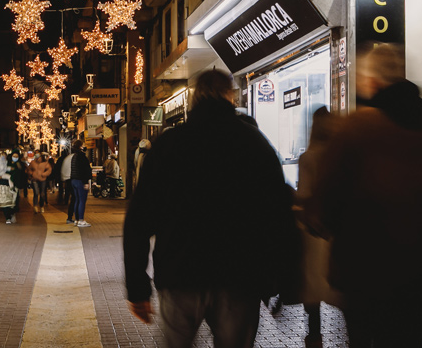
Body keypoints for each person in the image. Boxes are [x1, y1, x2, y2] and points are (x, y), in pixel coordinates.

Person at [124, 70, 298, 348]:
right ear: (231, 96)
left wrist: (137, 286)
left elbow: (139, 219)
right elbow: (278, 214)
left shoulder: (168, 146)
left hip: (180, 272)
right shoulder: (254, 144)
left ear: (194, 98)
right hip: (239, 275)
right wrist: (283, 280)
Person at [311, 44, 422, 348]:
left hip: (365, 269)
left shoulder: (356, 129)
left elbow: (327, 199)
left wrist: (323, 224)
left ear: (372, 82)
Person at [293, 107, 341, 347]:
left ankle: (314, 334)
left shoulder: (308, 157)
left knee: (313, 283)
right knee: (338, 281)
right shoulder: (340, 156)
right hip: (339, 229)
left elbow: (303, 194)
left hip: (313, 231)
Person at [67, 142, 93, 228]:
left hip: (74, 180)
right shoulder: (82, 156)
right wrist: (86, 182)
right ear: (80, 147)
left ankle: (77, 219)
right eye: (84, 145)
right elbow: (85, 170)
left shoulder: (74, 156)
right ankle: (81, 220)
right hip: (80, 180)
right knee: (82, 200)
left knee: (77, 200)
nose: (85, 146)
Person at [0, 149, 16, 224]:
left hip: (11, 186)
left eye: (5, 156)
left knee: (11, 203)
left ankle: (10, 215)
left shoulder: (10, 164)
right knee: (4, 203)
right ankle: (8, 217)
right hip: (3, 185)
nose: (3, 157)